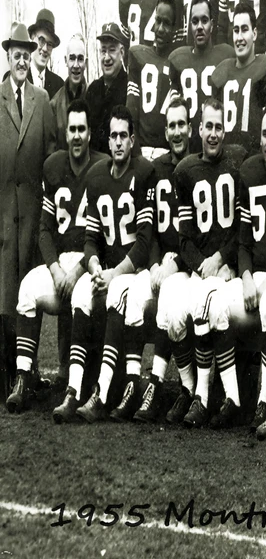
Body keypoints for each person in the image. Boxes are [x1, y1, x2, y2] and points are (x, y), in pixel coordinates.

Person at [205, 106, 266, 440]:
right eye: (264, 134)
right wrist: (247, 278)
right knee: (216, 302)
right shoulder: (248, 171)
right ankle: (233, 397)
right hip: (254, 276)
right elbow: (244, 242)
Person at [53, 105, 155, 423]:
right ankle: (73, 391)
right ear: (108, 142)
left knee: (114, 295)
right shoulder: (97, 178)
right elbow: (90, 238)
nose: (119, 142)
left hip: (134, 272)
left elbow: (144, 241)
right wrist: (95, 265)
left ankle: (101, 392)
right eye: (113, 136)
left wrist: (114, 272)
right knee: (82, 293)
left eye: (124, 135)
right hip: (107, 270)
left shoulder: (145, 173)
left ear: (133, 139)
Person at [8, 100, 106, 412]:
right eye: (72, 130)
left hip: (88, 266)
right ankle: (23, 377)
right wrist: (54, 268)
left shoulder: (102, 168)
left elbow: (103, 236)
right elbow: (44, 230)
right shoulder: (53, 167)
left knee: (80, 301)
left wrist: (77, 271)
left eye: (82, 129)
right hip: (59, 264)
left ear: (90, 133)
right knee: (26, 289)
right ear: (66, 134)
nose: (76, 136)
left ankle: (73, 388)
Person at [167, 97, 247, 429]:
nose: (213, 134)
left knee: (206, 304)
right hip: (201, 268)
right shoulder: (185, 172)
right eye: (208, 127)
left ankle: (209, 396)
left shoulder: (238, 162)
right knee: (171, 313)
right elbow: (183, 237)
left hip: (225, 269)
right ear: (199, 129)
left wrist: (220, 259)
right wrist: (201, 264)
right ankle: (189, 389)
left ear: (224, 129)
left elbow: (243, 226)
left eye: (218, 127)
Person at [0, 23, 57, 389]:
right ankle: (6, 374)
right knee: (4, 295)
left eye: (26, 54)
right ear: (7, 57)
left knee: (28, 294)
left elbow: (51, 158)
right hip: (4, 215)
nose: (22, 60)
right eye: (15, 54)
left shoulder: (42, 101)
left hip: (33, 215)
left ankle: (28, 372)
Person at [131, 97, 194, 423]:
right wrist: (155, 263)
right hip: (162, 264)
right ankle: (128, 383)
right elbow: (150, 229)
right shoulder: (156, 170)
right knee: (130, 298)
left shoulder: (197, 168)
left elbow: (202, 232)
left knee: (170, 301)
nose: (177, 131)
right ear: (165, 131)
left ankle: (161, 385)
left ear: (190, 127)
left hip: (188, 266)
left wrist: (176, 263)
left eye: (182, 124)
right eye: (171, 126)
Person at [210, 1, 266, 155]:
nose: (239, 37)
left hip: (254, 158)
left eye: (244, 30)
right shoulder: (220, 72)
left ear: (254, 34)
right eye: (236, 30)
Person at [168, 0, 234, 151]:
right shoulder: (178, 59)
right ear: (189, 25)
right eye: (195, 21)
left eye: (204, 21)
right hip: (189, 148)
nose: (199, 27)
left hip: (217, 145)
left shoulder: (226, 55)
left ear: (212, 24)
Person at [126, 0, 182, 159]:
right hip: (142, 150)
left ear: (174, 27)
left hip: (168, 153)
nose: (160, 28)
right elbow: (131, 112)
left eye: (166, 23)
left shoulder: (179, 61)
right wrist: (136, 155)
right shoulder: (138, 55)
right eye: (158, 21)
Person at [86, 24, 129, 155]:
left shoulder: (129, 87)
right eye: (103, 51)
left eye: (112, 50)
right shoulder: (93, 89)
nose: (107, 57)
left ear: (122, 52)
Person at [50, 34, 88, 151]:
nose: (76, 65)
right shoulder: (54, 104)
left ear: (85, 63)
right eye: (72, 58)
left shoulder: (94, 97)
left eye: (80, 59)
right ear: (65, 61)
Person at [26, 9, 64, 98]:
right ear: (32, 37)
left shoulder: (59, 86)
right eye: (41, 40)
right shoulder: (16, 77)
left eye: (50, 44)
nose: (45, 49)